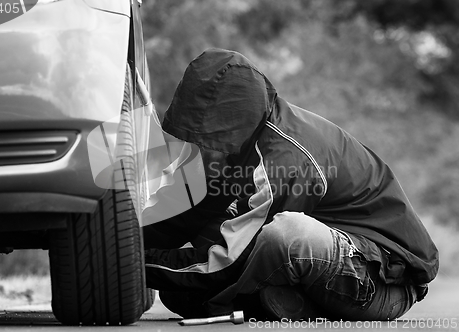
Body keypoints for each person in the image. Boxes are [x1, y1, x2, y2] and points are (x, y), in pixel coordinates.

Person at [142, 48, 439, 321]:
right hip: (327, 272)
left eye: (203, 138)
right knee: (176, 291)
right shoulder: (237, 144)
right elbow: (186, 214)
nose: (196, 147)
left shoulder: (285, 157)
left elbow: (230, 259)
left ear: (230, 123)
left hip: (381, 283)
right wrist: (123, 244)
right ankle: (290, 305)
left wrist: (132, 265)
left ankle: (260, 304)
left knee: (286, 233)